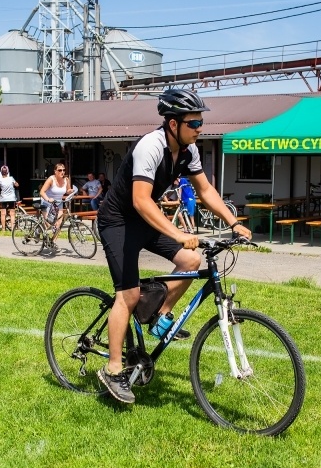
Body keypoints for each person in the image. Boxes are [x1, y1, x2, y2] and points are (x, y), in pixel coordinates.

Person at [95, 88, 251, 404]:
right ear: (173, 124)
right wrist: (179, 233)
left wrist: (233, 222)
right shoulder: (150, 147)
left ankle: (159, 316)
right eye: (194, 123)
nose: (200, 128)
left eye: (200, 121)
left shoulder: (189, 151)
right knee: (127, 295)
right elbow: (140, 200)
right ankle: (113, 370)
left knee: (191, 261)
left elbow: (206, 191)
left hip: (143, 219)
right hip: (118, 221)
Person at [39, 163, 76, 233]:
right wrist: (48, 199)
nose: (62, 172)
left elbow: (67, 190)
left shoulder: (66, 179)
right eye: (60, 170)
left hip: (58, 203)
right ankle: (38, 230)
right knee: (49, 224)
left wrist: (71, 191)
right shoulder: (51, 179)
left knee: (58, 225)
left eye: (64, 170)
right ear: (55, 171)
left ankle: (53, 242)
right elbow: (42, 192)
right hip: (47, 203)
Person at [0, 165, 19, 231]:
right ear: (7, 172)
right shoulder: (11, 178)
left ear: (1, 172)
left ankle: (3, 229)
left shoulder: (0, 180)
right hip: (11, 198)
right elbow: (17, 185)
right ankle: (12, 228)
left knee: (3, 214)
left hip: (3, 198)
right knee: (12, 214)